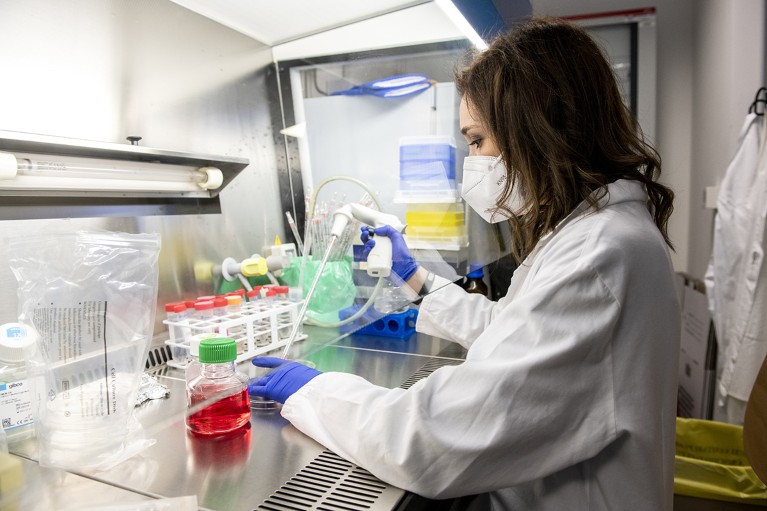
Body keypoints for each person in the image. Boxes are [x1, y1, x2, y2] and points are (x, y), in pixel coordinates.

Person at [250, 16, 680, 511]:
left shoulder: (600, 255)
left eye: (476, 140)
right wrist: (415, 277)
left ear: (538, 129)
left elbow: (432, 438)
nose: (471, 160)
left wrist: (317, 390)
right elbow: (514, 330)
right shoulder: (595, 235)